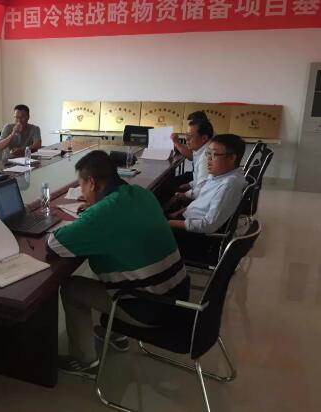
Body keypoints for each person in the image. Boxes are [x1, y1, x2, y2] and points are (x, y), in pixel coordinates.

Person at [47, 151, 189, 378]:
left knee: (72, 288)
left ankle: (85, 360)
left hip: (150, 309)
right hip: (178, 294)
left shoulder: (105, 212)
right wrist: (94, 212)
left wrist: (91, 216)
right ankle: (116, 332)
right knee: (111, 264)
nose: (82, 193)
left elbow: (54, 245)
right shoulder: (142, 194)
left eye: (82, 186)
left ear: (92, 183)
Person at [169, 134, 247, 258]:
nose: (208, 159)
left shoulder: (228, 185)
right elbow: (202, 201)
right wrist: (179, 212)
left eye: (214, 154)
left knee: (144, 230)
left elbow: (208, 225)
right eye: (208, 153)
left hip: (198, 238)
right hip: (188, 220)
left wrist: (167, 223)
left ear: (232, 158)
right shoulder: (218, 175)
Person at [165, 120, 214, 211]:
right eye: (186, 135)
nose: (186, 140)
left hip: (201, 205)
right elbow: (199, 180)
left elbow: (201, 191)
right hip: (199, 193)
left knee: (166, 191)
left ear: (204, 138)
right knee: (169, 186)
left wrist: (179, 196)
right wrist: (187, 186)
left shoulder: (206, 156)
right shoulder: (200, 149)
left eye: (189, 136)